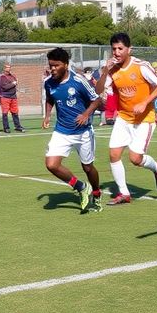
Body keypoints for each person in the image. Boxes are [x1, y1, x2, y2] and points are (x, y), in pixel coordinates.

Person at [94, 32, 157, 205]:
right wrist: (104, 72)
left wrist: (145, 102)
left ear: (129, 49)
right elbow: (98, 90)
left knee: (135, 159)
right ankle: (124, 193)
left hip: (144, 120)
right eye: (114, 49)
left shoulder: (141, 66)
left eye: (120, 48)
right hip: (124, 118)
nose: (117, 52)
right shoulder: (112, 70)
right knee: (113, 154)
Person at [42, 48, 105, 213]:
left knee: (88, 168)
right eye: (51, 65)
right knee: (51, 164)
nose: (52, 69)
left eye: (56, 65)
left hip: (83, 132)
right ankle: (81, 187)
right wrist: (47, 116)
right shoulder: (48, 82)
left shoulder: (78, 80)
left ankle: (97, 193)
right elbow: (50, 99)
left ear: (66, 64)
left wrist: (85, 114)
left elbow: (97, 100)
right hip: (62, 131)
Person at [0, 62, 25, 133]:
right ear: (4, 68)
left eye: (9, 67)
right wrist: (13, 83)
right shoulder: (2, 77)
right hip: (5, 97)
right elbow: (5, 87)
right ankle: (6, 128)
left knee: (15, 112)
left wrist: (15, 83)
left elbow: (14, 84)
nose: (9, 68)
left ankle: (17, 126)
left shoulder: (13, 76)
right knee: (5, 113)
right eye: (7, 67)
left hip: (13, 96)